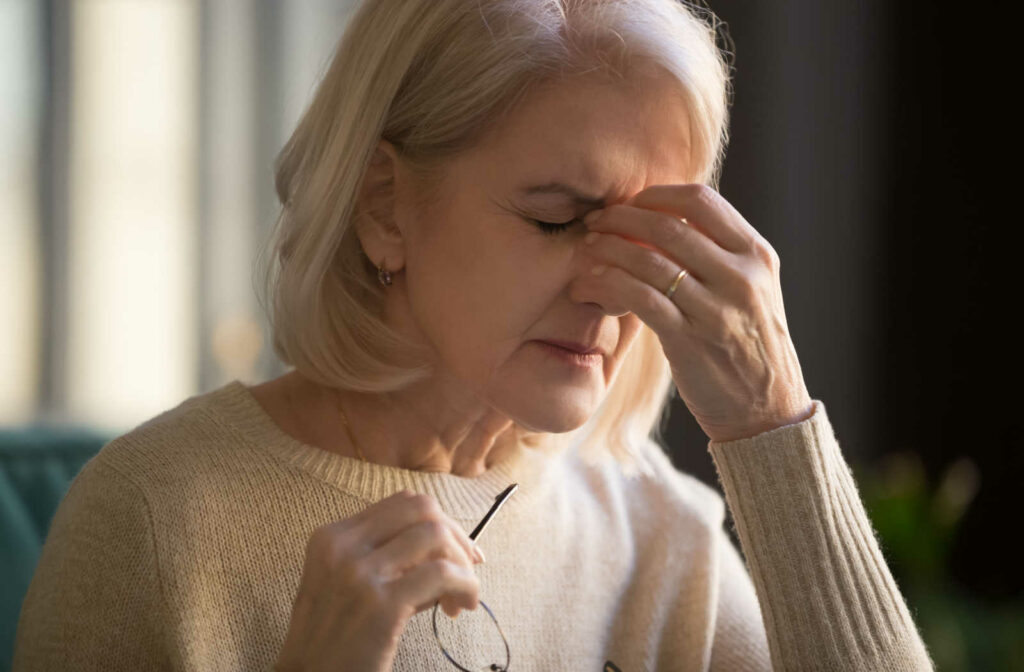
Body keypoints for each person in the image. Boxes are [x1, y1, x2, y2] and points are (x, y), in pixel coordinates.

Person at [13, 0, 936, 670]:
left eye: (654, 237)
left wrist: (771, 422)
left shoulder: (662, 538)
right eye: (556, 219)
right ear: (385, 208)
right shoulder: (153, 520)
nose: (613, 288)